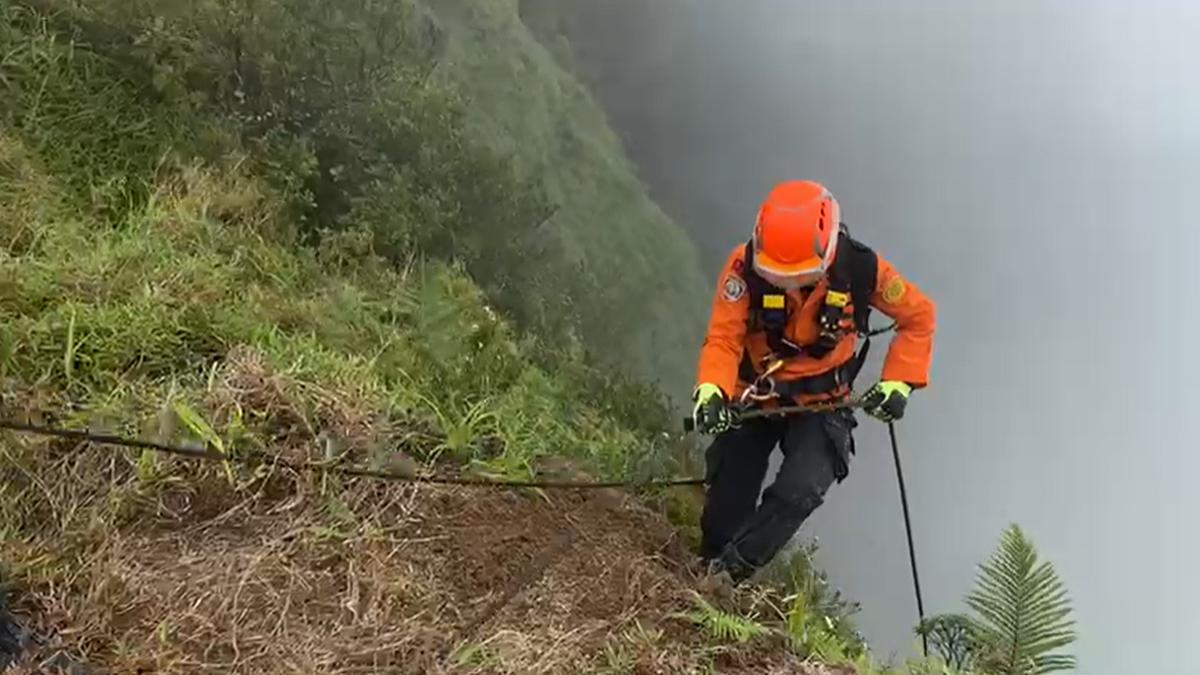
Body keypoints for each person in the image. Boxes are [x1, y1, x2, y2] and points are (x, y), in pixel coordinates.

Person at [692, 179, 936, 584]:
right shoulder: (743, 268)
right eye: (776, 275)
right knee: (729, 492)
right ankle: (710, 557)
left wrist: (899, 383)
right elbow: (723, 337)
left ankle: (728, 576)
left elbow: (919, 317)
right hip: (756, 395)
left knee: (800, 490)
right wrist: (711, 391)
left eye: (799, 276)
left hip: (825, 402)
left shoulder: (860, 268)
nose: (787, 284)